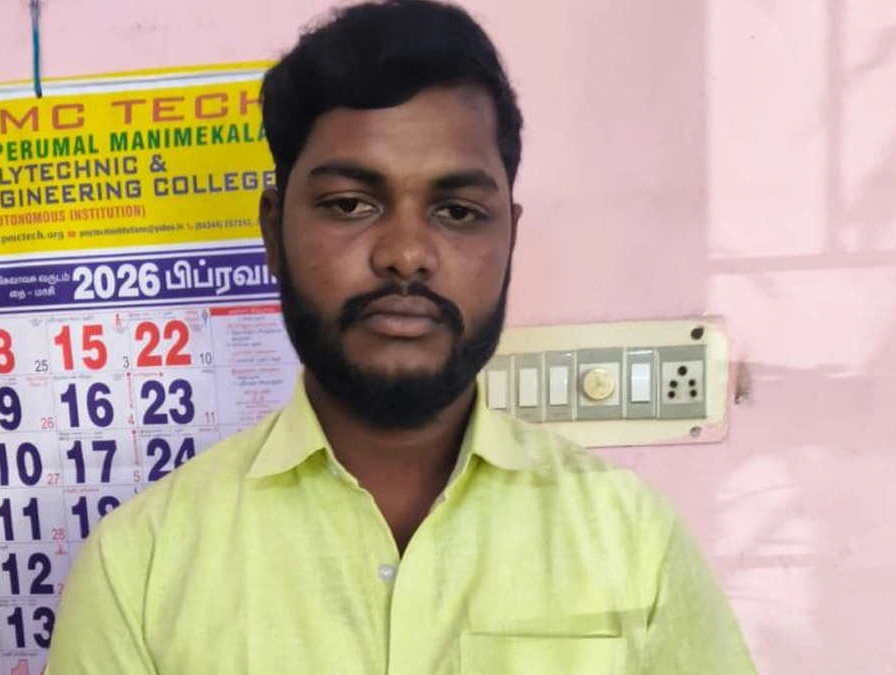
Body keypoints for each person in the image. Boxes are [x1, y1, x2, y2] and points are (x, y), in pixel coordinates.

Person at [47, 1, 757, 672]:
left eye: (457, 211)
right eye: (350, 204)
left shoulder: (632, 542)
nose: (407, 254)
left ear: (510, 241)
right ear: (273, 232)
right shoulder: (140, 568)